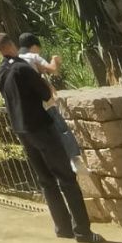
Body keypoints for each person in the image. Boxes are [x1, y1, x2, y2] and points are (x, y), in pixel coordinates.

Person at [0, 33, 102, 243]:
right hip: (41, 128)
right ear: (12, 45)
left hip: (22, 132)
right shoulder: (23, 68)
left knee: (46, 181)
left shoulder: (1, 71)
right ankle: (83, 231)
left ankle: (62, 227)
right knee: (67, 179)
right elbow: (46, 95)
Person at [17, 33, 80, 163]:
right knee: (62, 130)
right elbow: (53, 70)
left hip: (29, 108)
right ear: (34, 46)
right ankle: (74, 160)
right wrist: (55, 60)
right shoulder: (32, 57)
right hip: (46, 102)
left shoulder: (16, 59)